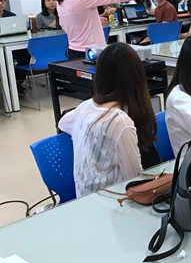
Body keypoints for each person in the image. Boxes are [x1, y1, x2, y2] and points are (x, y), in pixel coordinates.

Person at [58, 43, 157, 197]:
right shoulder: (120, 122)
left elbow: (62, 123)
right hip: (113, 201)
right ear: (137, 77)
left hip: (84, 200)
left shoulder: (85, 107)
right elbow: (135, 181)